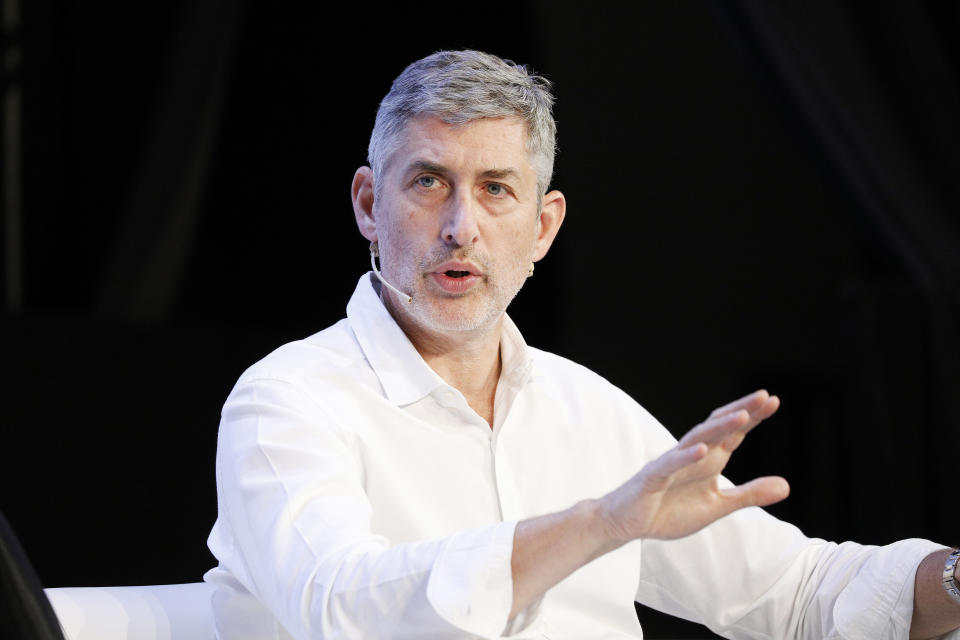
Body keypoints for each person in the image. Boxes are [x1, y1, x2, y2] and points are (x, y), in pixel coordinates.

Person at [204, 50, 960, 639]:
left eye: (496, 189)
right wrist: (598, 525)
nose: (460, 226)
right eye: (429, 182)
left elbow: (798, 596)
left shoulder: (582, 409)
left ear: (542, 227)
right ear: (370, 205)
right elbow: (338, 609)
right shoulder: (288, 399)